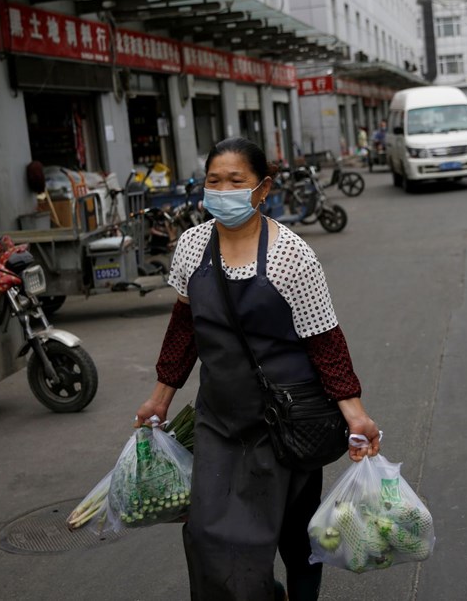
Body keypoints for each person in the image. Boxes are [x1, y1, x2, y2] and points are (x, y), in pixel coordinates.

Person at [135, 137, 380, 600]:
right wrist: (159, 398)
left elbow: (325, 341)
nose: (222, 191)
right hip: (219, 421)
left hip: (287, 422)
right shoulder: (190, 246)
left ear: (262, 188)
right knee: (208, 534)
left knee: (294, 537)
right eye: (214, 181)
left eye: (235, 181)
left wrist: (356, 414)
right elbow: (184, 329)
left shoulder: (292, 254)